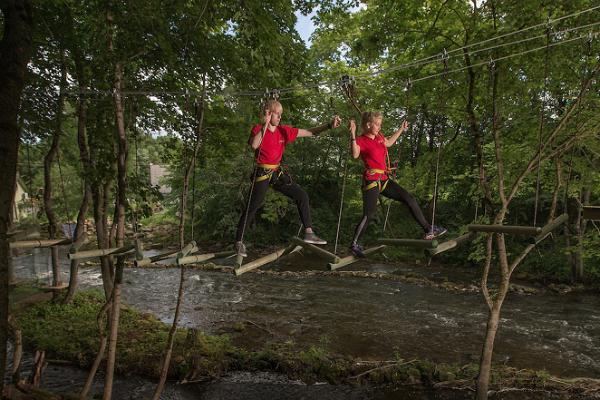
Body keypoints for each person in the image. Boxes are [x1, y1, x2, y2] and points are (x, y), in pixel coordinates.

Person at [235, 99, 342, 257]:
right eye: (276, 114)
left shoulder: (283, 131)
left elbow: (310, 132)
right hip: (262, 173)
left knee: (301, 195)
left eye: (280, 114)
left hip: (277, 173)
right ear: (268, 114)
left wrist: (328, 125)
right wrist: (265, 124)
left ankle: (308, 232)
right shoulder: (258, 129)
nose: (279, 117)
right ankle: (238, 242)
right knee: (253, 205)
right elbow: (254, 145)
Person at [348, 111, 446, 257]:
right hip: (372, 180)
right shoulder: (362, 140)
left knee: (408, 198)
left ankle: (428, 229)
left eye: (380, 124)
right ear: (368, 125)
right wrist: (353, 133)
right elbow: (355, 154)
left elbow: (389, 142)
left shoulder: (379, 137)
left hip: (384, 179)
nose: (380, 127)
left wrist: (401, 129)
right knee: (369, 214)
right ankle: (354, 244)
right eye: (377, 124)